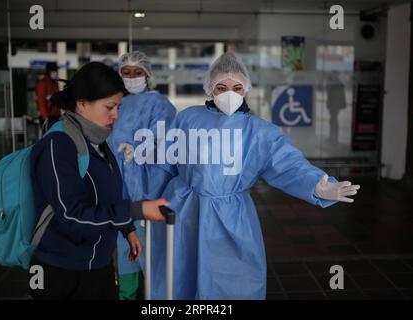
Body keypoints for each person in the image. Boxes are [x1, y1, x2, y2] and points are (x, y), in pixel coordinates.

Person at [149, 52, 360, 300]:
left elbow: (288, 163)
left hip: (231, 217)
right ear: (210, 88)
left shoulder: (259, 131)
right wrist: (147, 203)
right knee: (180, 275)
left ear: (246, 89)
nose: (230, 93)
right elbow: (164, 163)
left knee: (233, 280)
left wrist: (317, 185)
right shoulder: (187, 119)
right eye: (222, 87)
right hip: (185, 209)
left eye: (237, 87)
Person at [29, 61, 169, 300]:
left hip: (98, 264)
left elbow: (110, 195)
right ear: (82, 104)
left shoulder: (99, 142)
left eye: (119, 107)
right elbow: (72, 215)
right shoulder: (58, 145)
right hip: (62, 270)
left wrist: (127, 229)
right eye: (110, 107)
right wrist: (137, 210)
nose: (116, 115)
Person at [106, 51, 176, 299]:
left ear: (148, 75)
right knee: (126, 247)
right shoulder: (114, 103)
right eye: (127, 73)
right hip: (119, 186)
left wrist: (140, 152)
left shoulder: (160, 106)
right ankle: (128, 292)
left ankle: (156, 296)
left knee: (154, 249)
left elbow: (168, 146)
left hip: (151, 186)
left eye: (138, 73)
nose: (132, 77)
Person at [35, 62, 61, 128]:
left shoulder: (55, 83)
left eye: (55, 70)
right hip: (47, 118)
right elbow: (41, 102)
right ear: (48, 71)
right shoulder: (42, 83)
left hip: (56, 118)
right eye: (53, 70)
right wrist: (46, 117)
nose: (55, 72)